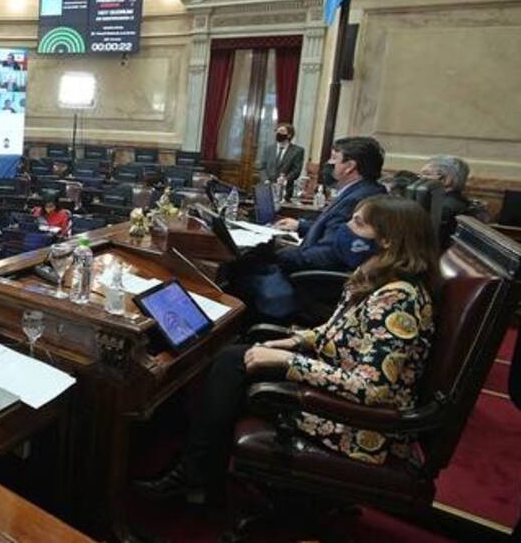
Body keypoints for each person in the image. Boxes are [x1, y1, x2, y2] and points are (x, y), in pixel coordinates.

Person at [135, 196, 439, 504]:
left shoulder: (398, 300)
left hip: (362, 426)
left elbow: (373, 389)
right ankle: (197, 473)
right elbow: (340, 333)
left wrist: (289, 360)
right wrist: (294, 341)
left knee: (232, 366)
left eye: (358, 223)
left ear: (388, 240)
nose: (346, 229)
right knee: (233, 357)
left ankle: (194, 475)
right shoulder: (378, 279)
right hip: (344, 391)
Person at [233, 137, 388, 325]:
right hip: (319, 270)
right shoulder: (363, 191)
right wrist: (301, 226)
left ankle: (239, 331)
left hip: (316, 282)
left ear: (349, 167)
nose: (329, 164)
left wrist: (280, 253)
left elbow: (330, 253)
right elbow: (335, 230)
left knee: (239, 268)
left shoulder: (358, 199)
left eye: (334, 159)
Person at [419, 155, 490, 247]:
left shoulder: (444, 208)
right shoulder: (459, 201)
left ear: (446, 180)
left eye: (426, 174)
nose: (419, 179)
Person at [259, 122, 304, 196]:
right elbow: (262, 167)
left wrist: (285, 179)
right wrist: (265, 180)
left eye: (281, 132)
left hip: (285, 190)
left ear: (289, 135)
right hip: (267, 187)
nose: (278, 133)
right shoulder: (268, 149)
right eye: (277, 131)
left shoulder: (297, 151)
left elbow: (296, 170)